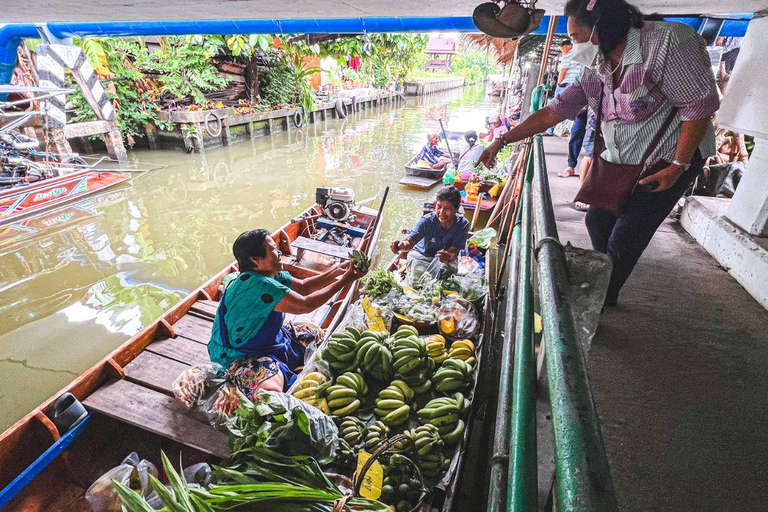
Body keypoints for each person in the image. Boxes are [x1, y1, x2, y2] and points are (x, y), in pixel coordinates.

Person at [478, 0, 719, 306]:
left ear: (601, 29)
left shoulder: (667, 42)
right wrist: (502, 141)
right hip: (624, 157)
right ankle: (605, 280)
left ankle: (597, 301)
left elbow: (699, 106)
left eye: (577, 38)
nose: (574, 46)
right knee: (597, 221)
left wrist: (677, 165)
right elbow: (556, 111)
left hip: (670, 157)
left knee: (626, 237)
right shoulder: (599, 66)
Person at [208, 229, 366, 396]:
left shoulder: (270, 274)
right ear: (256, 260)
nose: (279, 252)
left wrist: (339, 270)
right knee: (270, 392)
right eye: (273, 250)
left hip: (266, 340)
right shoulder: (257, 285)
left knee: (314, 332)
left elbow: (305, 286)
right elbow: (306, 305)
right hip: (237, 354)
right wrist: (347, 279)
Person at [390, 187, 470, 275]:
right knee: (417, 276)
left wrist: (448, 256)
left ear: (456, 209)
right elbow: (409, 243)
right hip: (422, 255)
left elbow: (454, 251)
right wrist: (400, 245)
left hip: (444, 259)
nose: (441, 212)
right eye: (439, 207)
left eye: (447, 208)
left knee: (447, 275)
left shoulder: (462, 224)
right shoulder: (426, 221)